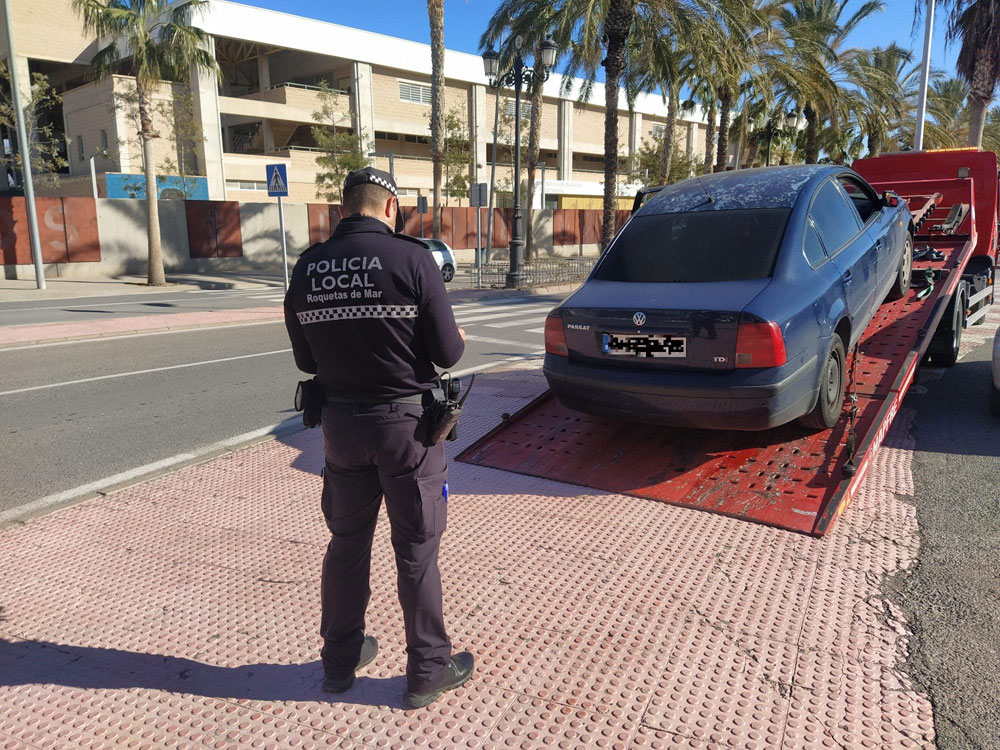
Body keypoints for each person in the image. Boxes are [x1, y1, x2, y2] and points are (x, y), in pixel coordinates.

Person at [283, 167, 473, 709]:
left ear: (344, 208)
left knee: (346, 545)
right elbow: (448, 352)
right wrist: (452, 337)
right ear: (390, 209)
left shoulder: (309, 267)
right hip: (407, 432)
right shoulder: (413, 259)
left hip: (341, 431)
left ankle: (339, 663)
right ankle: (428, 670)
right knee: (415, 550)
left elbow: (305, 357)